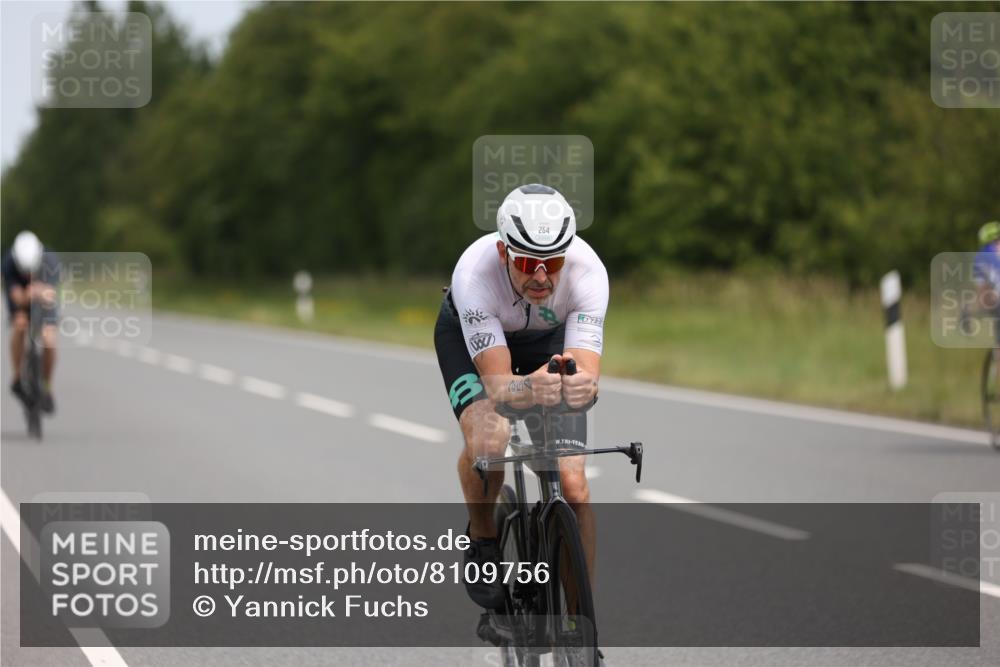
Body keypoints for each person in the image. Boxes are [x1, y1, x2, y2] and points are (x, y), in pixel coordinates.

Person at [434, 184, 608, 610]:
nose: (541, 277)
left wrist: (583, 385)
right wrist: (528, 387)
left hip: (547, 336)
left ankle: (578, 626)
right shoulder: (474, 276)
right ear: (503, 253)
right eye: (529, 262)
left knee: (575, 486)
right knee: (488, 439)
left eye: (553, 263)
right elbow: (497, 388)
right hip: (471, 336)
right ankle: (483, 539)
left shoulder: (589, 272)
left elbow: (586, 372)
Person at [2, 231, 59, 413]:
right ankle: (18, 378)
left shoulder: (50, 260)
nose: (27, 275)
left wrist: (37, 292)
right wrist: (28, 294)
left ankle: (47, 386)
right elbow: (16, 297)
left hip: (44, 302)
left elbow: (50, 294)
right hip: (22, 302)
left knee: (49, 340)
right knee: (19, 325)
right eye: (24, 272)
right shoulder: (9, 262)